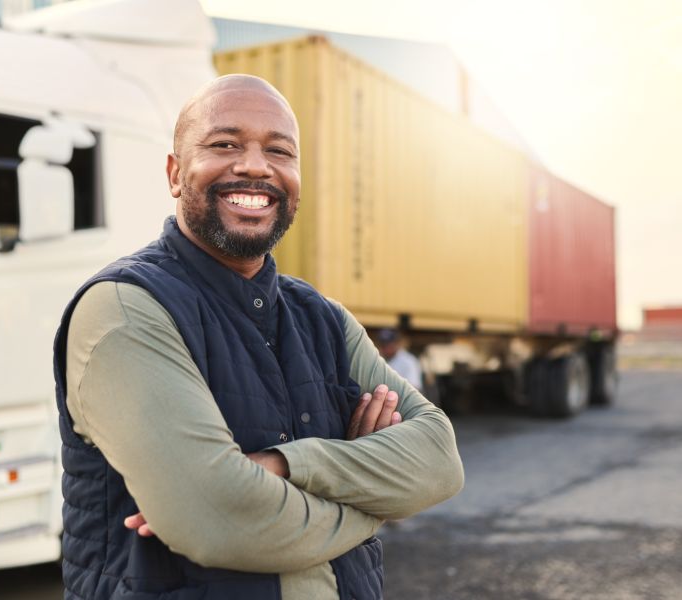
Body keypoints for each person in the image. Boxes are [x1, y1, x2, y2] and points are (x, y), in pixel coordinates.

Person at [53, 74, 464, 600]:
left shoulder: (324, 319)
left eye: (279, 151)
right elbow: (215, 517)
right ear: (175, 174)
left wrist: (283, 466)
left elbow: (439, 459)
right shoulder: (126, 308)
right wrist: (377, 500)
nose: (254, 165)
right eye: (224, 144)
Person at [376, 328, 425, 394]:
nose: (386, 348)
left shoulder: (408, 361)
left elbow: (414, 389)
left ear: (397, 344)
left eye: (389, 345)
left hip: (403, 401)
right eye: (383, 345)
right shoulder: (379, 359)